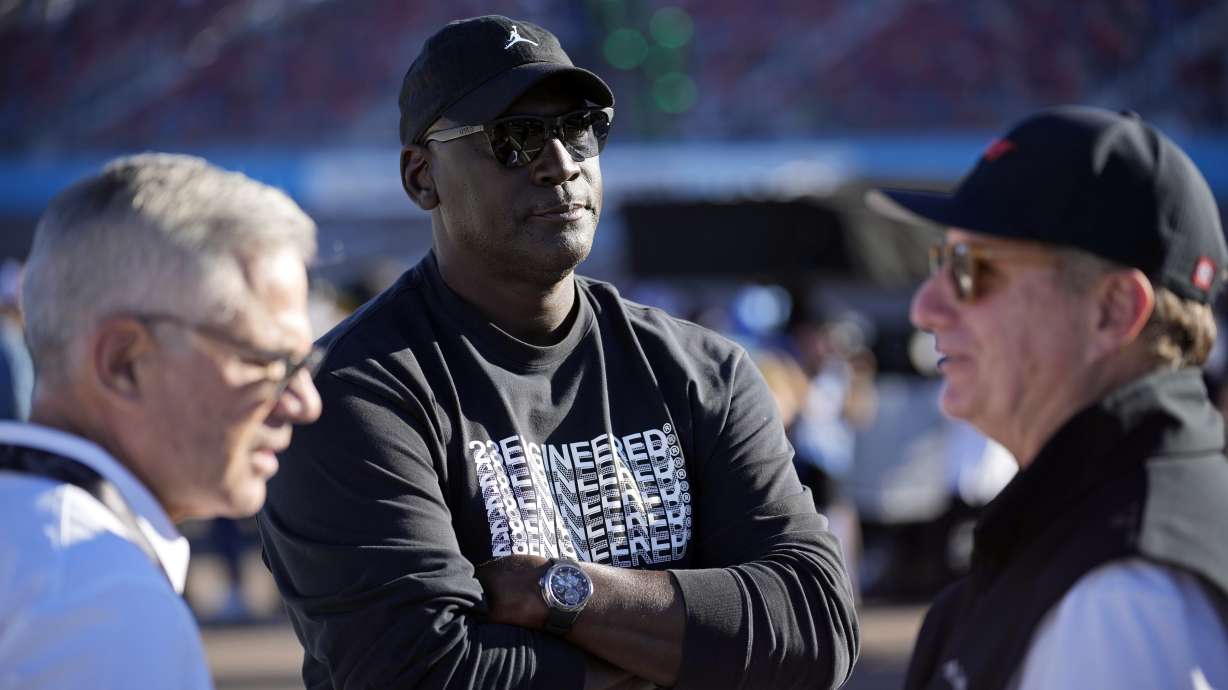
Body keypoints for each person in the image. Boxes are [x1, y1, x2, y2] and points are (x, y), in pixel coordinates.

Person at [259, 15, 858, 690]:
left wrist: (557, 592)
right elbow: (422, 675)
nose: (561, 161)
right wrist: (687, 652)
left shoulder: (702, 370)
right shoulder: (349, 392)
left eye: (580, 127)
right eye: (514, 138)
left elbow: (816, 630)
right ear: (422, 176)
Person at [866, 106, 1228, 690]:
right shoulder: (1092, 541)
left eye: (969, 268)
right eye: (942, 260)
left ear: (1111, 311)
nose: (924, 307)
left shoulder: (1124, 602)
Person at [0, 153, 323, 688]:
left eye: (305, 363)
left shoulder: (45, 550)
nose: (304, 401)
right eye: (270, 362)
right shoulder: (93, 590)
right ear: (124, 362)